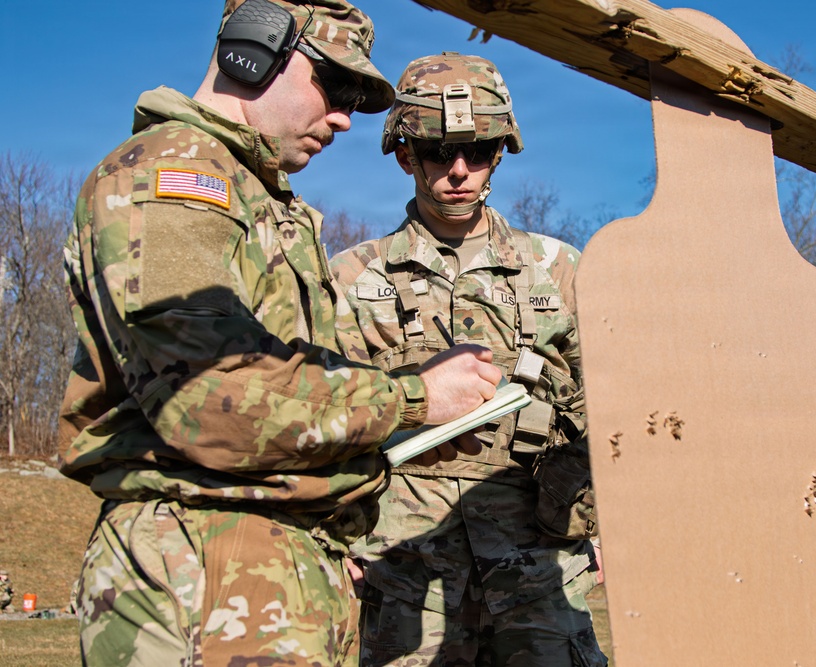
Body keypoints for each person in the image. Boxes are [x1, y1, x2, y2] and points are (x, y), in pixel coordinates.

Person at [58, 3, 502, 665]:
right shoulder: (176, 176)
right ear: (255, 50)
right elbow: (212, 395)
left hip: (267, 561)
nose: (345, 118)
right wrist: (414, 398)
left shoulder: (255, 194)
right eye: (336, 85)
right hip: (207, 565)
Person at [329, 52, 605, 666]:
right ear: (405, 155)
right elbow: (325, 418)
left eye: (477, 152)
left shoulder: (560, 269)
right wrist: (333, 534)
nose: (459, 170)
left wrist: (610, 524)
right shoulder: (350, 278)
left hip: (541, 565)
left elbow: (608, 410)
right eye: (438, 152)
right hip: (404, 572)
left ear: (499, 153)